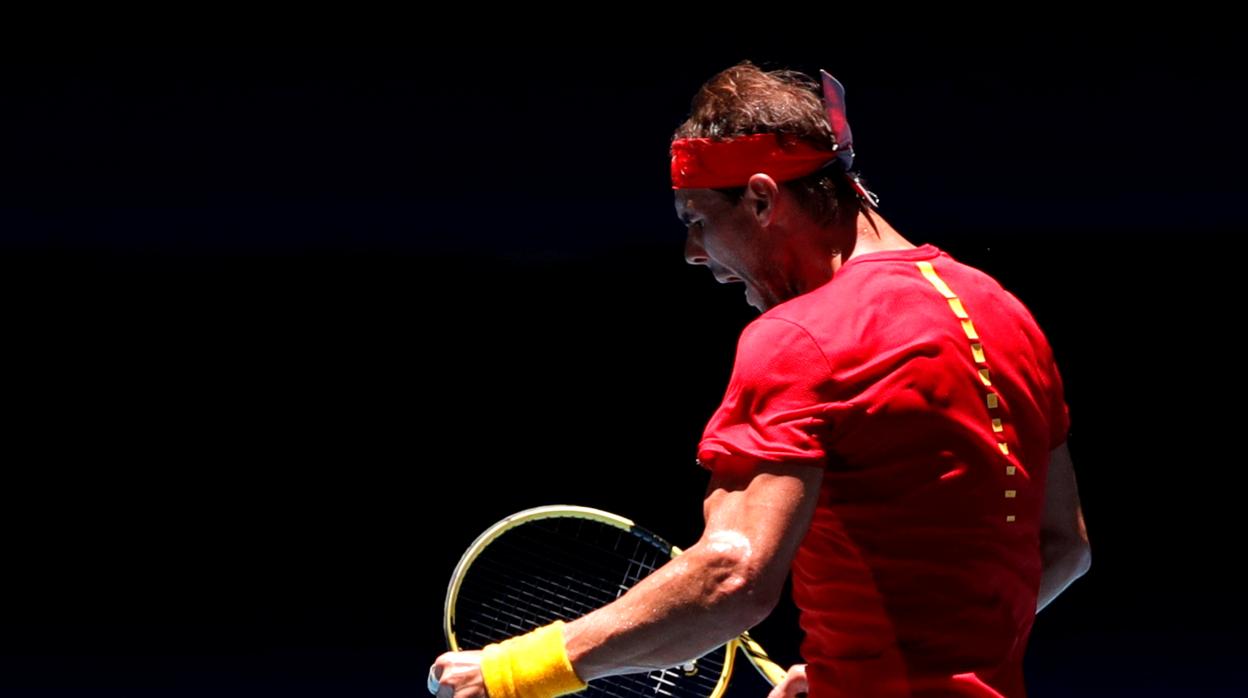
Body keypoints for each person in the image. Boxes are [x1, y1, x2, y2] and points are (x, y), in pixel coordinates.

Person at [431, 61, 1091, 698]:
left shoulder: (801, 339)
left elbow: (730, 577)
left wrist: (518, 670)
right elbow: (1062, 547)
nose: (693, 254)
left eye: (696, 220)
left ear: (760, 197)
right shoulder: (1003, 312)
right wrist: (877, 664)